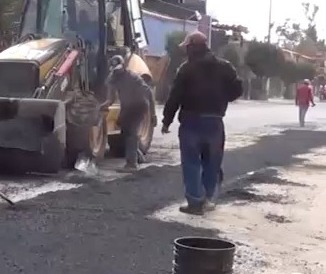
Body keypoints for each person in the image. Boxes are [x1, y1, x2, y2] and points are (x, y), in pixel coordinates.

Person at [161, 31, 243, 215]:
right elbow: (237, 88)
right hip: (215, 121)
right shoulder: (225, 67)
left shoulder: (186, 69)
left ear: (191, 47)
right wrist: (223, 98)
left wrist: (167, 121)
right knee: (212, 163)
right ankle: (207, 199)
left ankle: (195, 202)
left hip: (191, 121)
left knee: (191, 162)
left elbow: (175, 97)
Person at [99, 55, 152, 171]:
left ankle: (131, 164)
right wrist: (101, 106)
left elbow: (148, 93)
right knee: (125, 132)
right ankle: (139, 157)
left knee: (131, 133)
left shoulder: (133, 77)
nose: (117, 72)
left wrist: (152, 115)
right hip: (127, 107)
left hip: (139, 105)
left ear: (123, 67)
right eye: (114, 70)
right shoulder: (112, 79)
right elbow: (110, 99)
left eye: (118, 69)